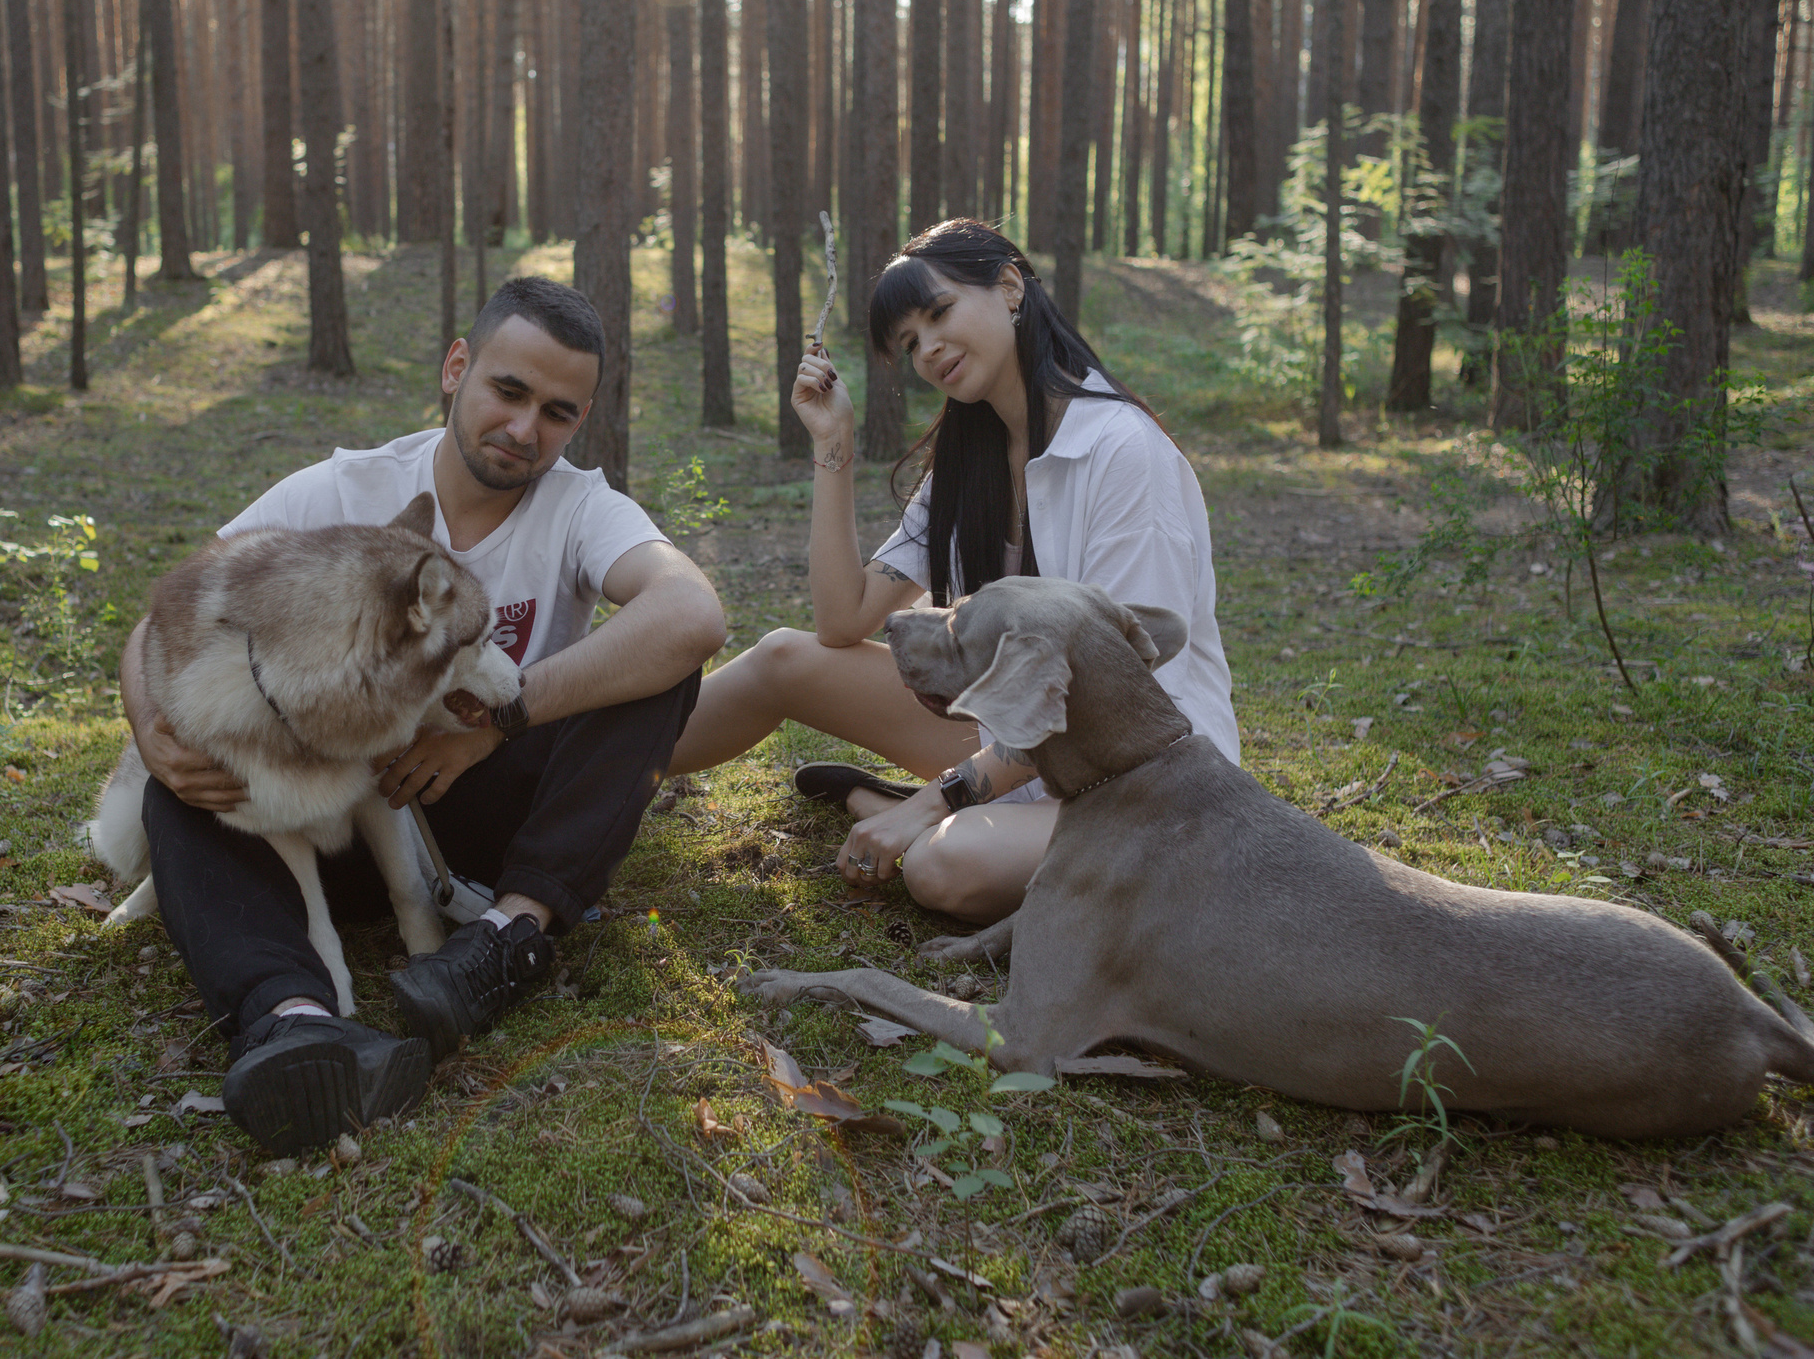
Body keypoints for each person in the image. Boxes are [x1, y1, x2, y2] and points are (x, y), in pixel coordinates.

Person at [122, 277, 726, 1152]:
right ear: (456, 368)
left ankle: (505, 941)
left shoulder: (582, 507)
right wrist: (150, 730)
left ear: (582, 419)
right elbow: (160, 620)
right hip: (323, 812)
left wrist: (493, 728)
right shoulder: (344, 490)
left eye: (556, 412)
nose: (525, 428)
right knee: (177, 790)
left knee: (658, 669)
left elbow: (692, 612)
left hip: (484, 816)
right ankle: (293, 1022)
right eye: (508, 390)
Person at [667, 220, 1236, 924]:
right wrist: (833, 443)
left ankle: (922, 813)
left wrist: (938, 800)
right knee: (784, 656)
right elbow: (843, 619)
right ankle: (584, 770)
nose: (929, 348)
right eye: (910, 342)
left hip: (1142, 782)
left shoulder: (1122, 453)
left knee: (945, 864)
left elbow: (1110, 690)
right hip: (1024, 745)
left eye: (939, 313)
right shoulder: (971, 463)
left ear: (1009, 287)